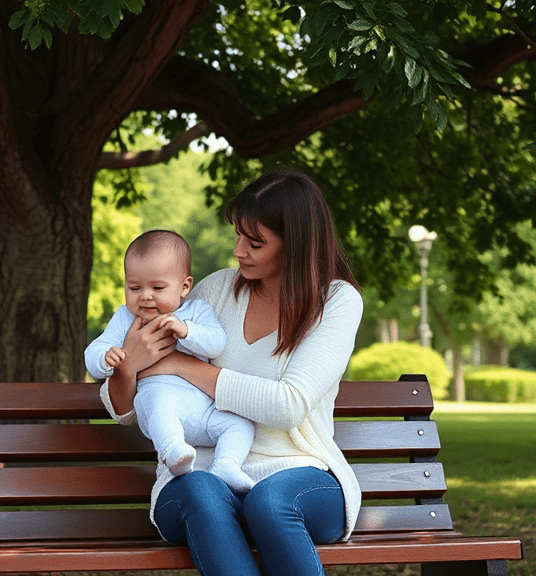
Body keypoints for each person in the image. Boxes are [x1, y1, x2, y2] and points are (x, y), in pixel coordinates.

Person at [101, 170, 363, 576]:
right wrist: (129, 365)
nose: (239, 250)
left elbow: (288, 405)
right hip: (200, 478)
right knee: (202, 489)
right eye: (238, 235)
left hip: (298, 475)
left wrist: (180, 364)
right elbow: (124, 409)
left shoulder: (336, 301)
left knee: (268, 501)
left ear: (295, 245)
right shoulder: (215, 290)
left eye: (255, 242)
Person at [85, 229, 256, 493]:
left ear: (185, 287)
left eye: (157, 287)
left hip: (203, 406)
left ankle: (227, 464)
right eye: (134, 287)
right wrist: (105, 358)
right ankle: (173, 452)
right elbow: (94, 351)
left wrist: (187, 331)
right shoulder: (124, 318)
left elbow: (216, 341)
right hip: (161, 397)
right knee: (157, 404)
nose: (145, 296)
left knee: (240, 422)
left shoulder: (196, 311)